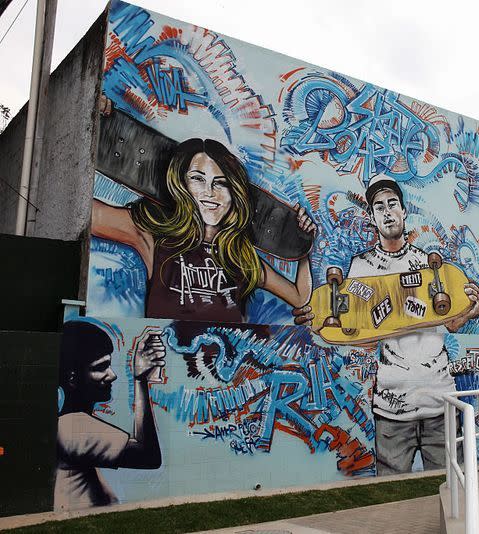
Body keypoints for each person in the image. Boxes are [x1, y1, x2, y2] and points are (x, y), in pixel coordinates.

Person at [293, 175, 479, 474]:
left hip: (440, 401)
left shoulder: (428, 264)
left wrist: (471, 311)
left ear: (404, 211)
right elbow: (356, 332)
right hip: (392, 407)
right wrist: (321, 327)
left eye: (392, 204)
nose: (387, 211)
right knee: (393, 494)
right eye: (379, 206)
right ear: (371, 217)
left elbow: (452, 325)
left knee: (453, 491)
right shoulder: (360, 268)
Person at [92, 135, 316, 323]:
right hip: (167, 365)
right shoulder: (156, 238)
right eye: (198, 179)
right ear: (183, 185)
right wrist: (93, 122)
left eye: (221, 183)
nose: (210, 192)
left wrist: (302, 244)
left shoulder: (240, 257)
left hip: (224, 370)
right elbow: (92, 215)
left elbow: (299, 296)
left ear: (233, 192)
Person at [55, 321, 165, 510]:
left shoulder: (68, 425)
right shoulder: (73, 426)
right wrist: (140, 379)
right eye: (101, 367)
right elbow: (149, 456)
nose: (112, 375)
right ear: (73, 378)